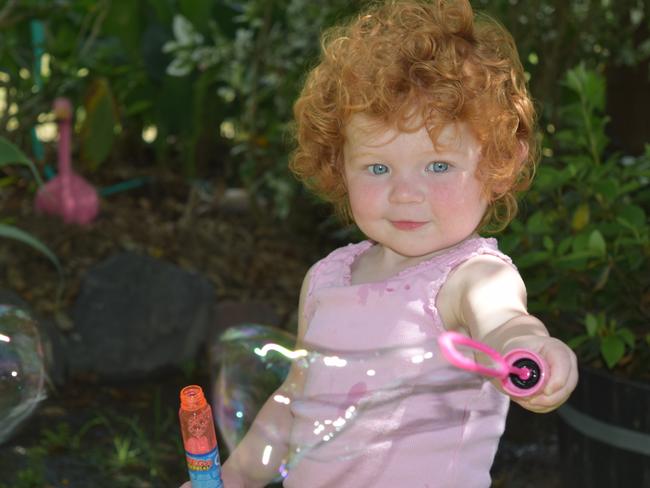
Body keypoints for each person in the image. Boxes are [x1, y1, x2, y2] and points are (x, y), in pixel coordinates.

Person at [180, 0, 577, 486]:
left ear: (499, 165)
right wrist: (237, 476)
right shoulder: (326, 278)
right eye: (377, 167)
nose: (405, 192)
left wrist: (529, 349)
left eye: (438, 166)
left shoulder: (472, 277)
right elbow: (294, 401)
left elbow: (504, 322)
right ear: (338, 165)